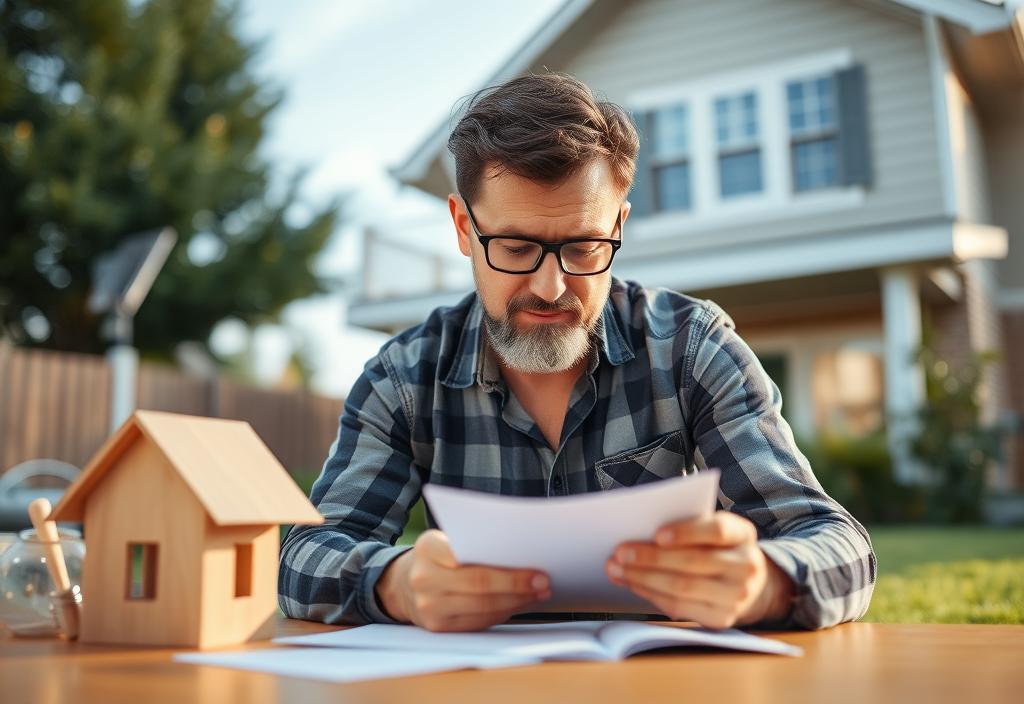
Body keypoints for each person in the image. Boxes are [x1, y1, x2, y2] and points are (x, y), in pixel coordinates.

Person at [279, 73, 876, 633]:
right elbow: (301, 557)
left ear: (620, 223)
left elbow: (835, 541)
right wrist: (397, 585)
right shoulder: (403, 379)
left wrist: (764, 583)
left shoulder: (693, 347)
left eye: (585, 247)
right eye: (514, 248)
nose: (550, 286)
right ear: (463, 227)